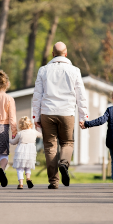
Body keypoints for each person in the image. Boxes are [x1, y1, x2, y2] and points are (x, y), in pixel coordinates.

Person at [32, 41, 89, 189]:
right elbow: (81, 95)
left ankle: (53, 182)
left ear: (52, 54)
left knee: (50, 146)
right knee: (67, 142)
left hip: (47, 112)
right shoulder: (75, 71)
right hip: (67, 112)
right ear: (66, 53)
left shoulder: (43, 70)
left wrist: (35, 117)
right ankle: (64, 162)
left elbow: (37, 96)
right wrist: (84, 117)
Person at [9, 116, 42, 189]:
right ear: (30, 124)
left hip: (21, 152)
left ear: (20, 125)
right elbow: (41, 135)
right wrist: (38, 127)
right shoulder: (34, 132)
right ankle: (28, 178)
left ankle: (20, 184)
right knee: (28, 167)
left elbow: (14, 142)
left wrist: (8, 139)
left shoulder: (20, 133)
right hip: (30, 152)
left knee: (20, 168)